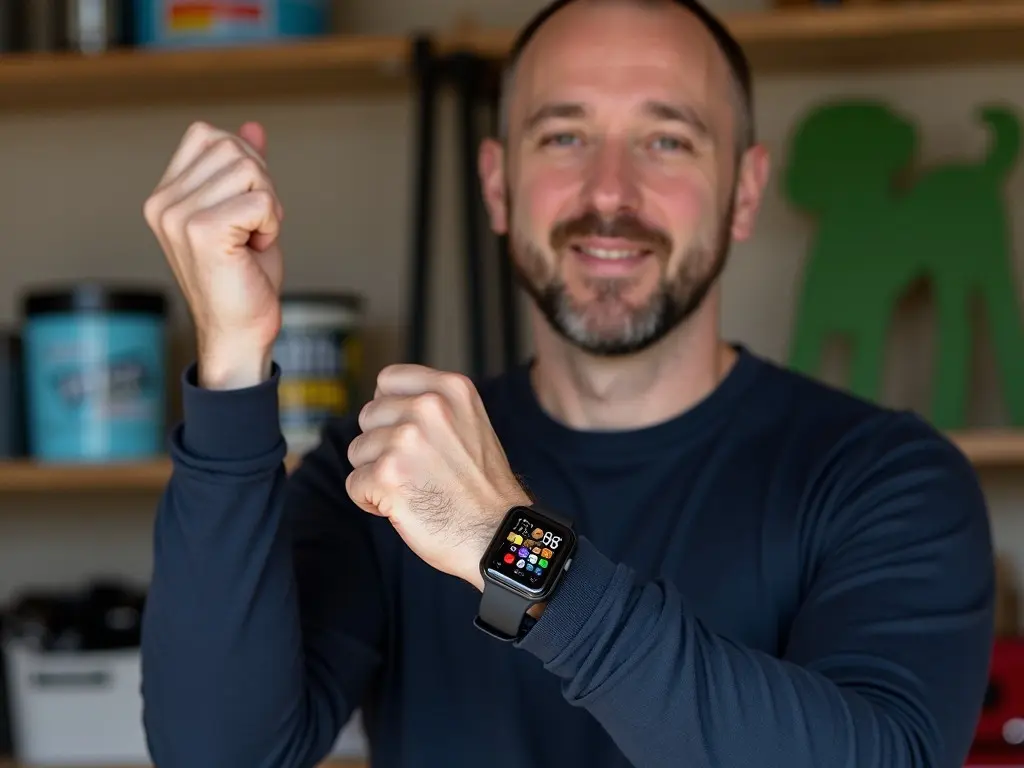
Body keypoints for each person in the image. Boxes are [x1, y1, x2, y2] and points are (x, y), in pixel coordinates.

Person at [138, 0, 996, 766]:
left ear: (745, 190)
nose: (610, 191)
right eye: (564, 136)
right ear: (497, 185)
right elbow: (219, 754)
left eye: (667, 139)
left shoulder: (887, 478)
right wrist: (233, 359)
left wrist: (510, 546)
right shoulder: (383, 471)